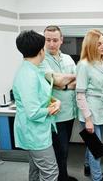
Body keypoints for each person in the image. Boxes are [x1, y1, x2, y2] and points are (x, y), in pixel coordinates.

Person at [13, 30, 60, 181]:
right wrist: (51, 109)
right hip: (35, 135)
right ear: (41, 50)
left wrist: (54, 100)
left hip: (36, 132)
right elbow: (33, 112)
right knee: (51, 173)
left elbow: (40, 95)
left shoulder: (32, 69)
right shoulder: (28, 75)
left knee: (35, 170)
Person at [40, 25, 78, 181]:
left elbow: (78, 79)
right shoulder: (41, 60)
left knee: (65, 148)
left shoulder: (68, 58)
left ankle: (63, 176)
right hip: (55, 114)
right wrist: (63, 80)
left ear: (61, 40)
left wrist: (63, 83)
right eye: (48, 40)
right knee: (59, 150)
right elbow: (55, 80)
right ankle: (61, 178)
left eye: (55, 40)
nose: (51, 44)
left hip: (70, 112)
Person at [76, 29, 103, 181]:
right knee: (96, 147)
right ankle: (97, 178)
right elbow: (80, 94)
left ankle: (88, 166)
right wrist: (88, 119)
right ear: (90, 46)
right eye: (98, 44)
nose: (102, 46)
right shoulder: (84, 65)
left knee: (93, 143)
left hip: (102, 108)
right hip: (90, 111)